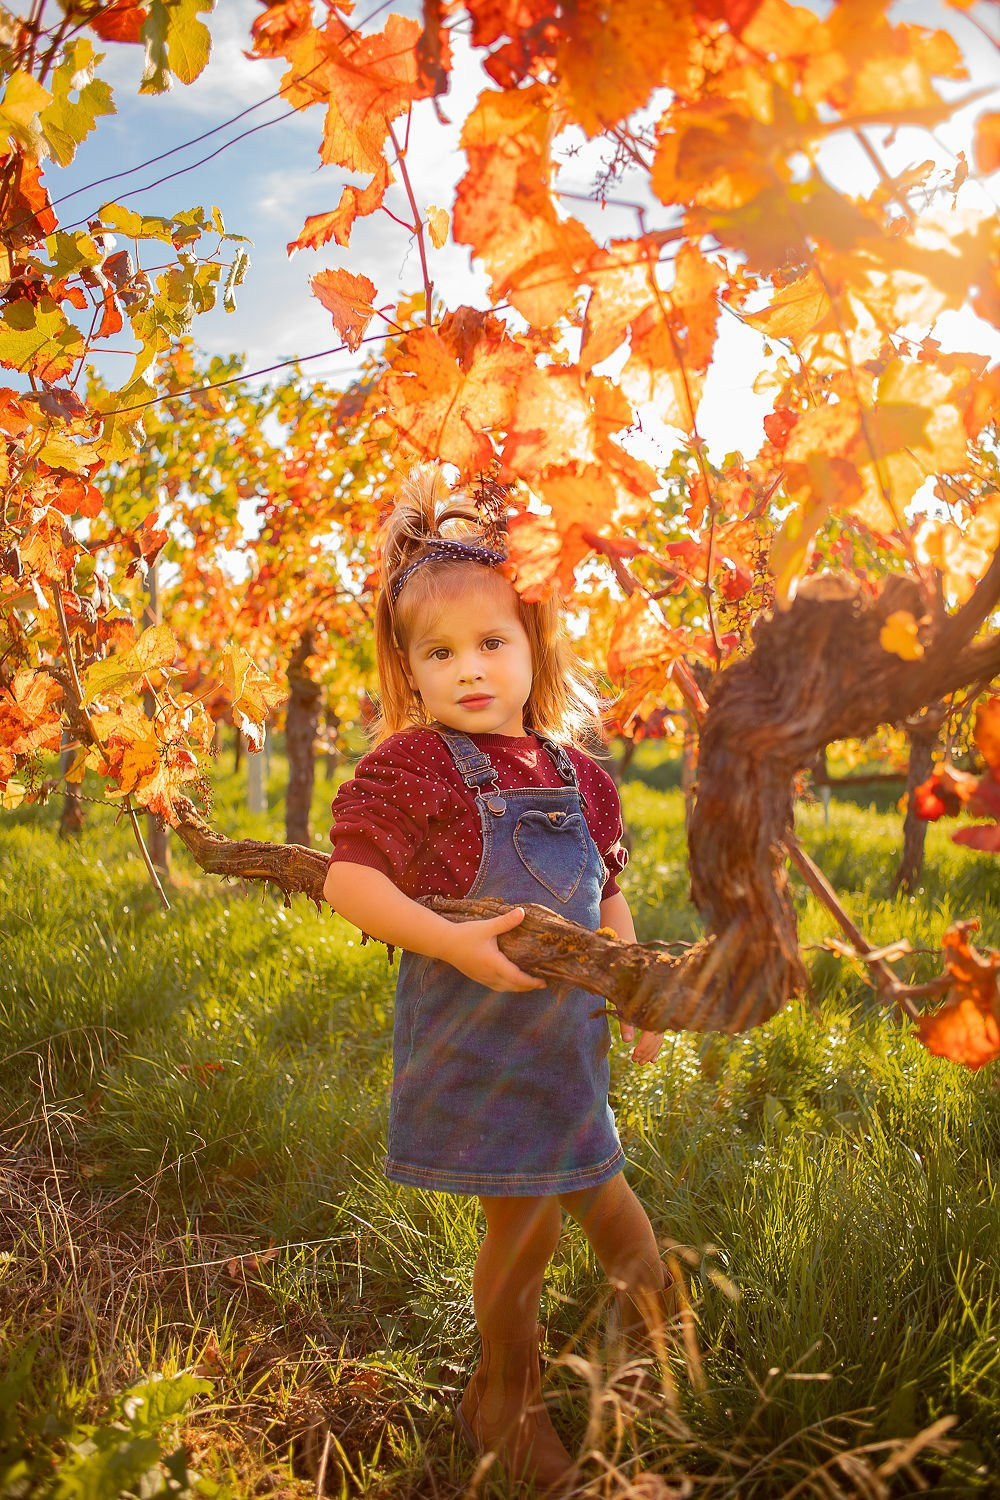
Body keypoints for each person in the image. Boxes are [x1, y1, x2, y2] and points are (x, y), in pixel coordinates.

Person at [323, 467, 673, 1491]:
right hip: (475, 1049)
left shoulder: (581, 777)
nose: (469, 670)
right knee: (522, 1235)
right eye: (440, 653)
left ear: (532, 646)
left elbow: (606, 895)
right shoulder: (417, 768)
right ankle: (504, 1395)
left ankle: (659, 1350)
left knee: (616, 1218)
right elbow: (350, 881)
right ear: (410, 671)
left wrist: (634, 986)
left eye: (491, 644)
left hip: (566, 1049)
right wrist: (450, 940)